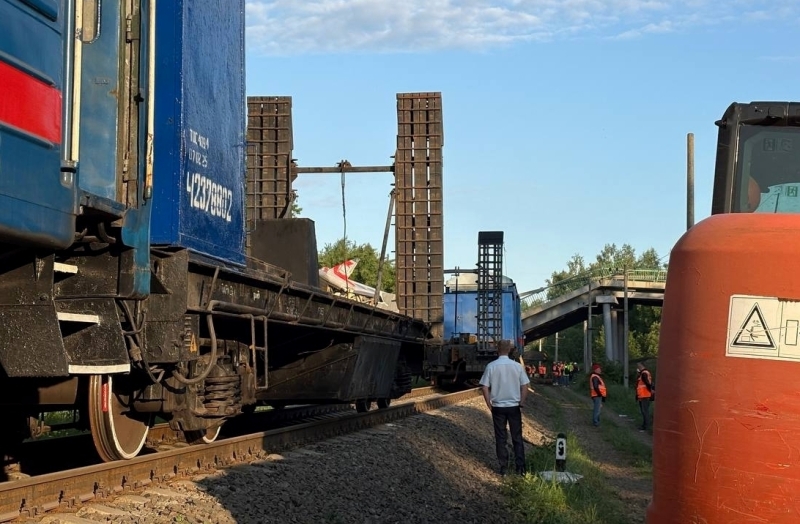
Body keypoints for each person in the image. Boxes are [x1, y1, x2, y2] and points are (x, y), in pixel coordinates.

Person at [480, 340, 530, 476]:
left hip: (498, 407)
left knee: (501, 438)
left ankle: (504, 468)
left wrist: (489, 404)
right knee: (517, 437)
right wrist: (521, 403)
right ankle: (520, 468)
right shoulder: (517, 366)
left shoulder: (491, 366)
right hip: (514, 407)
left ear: (497, 350)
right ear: (509, 350)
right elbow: (525, 386)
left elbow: (484, 387)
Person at [635, 362, 654, 431]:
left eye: (639, 366)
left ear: (642, 366)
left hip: (644, 395)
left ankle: (645, 426)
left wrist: (650, 391)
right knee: (644, 411)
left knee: (644, 411)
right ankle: (645, 425)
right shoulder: (643, 373)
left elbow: (648, 384)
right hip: (643, 395)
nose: (638, 367)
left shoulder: (644, 374)